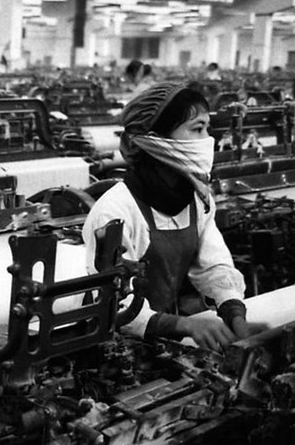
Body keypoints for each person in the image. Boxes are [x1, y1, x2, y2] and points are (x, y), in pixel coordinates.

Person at [81, 81, 259, 352]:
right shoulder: (115, 211)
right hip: (114, 350)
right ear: (158, 138)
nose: (207, 141)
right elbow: (113, 305)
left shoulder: (197, 199)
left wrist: (236, 316)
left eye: (207, 129)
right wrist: (186, 326)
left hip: (163, 341)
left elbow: (214, 267)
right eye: (197, 129)